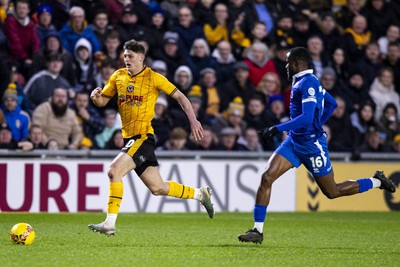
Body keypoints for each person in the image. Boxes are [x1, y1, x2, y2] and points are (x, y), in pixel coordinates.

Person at [237, 47, 397, 245]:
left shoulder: (308, 83)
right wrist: (316, 122)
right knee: (267, 177)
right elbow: (331, 104)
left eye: (288, 63)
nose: (286, 66)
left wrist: (278, 127)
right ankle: (257, 231)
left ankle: (377, 181)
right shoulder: (303, 81)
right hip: (295, 142)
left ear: (296, 63)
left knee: (332, 192)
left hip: (312, 146)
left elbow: (305, 118)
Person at [88, 40, 214, 236]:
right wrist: (96, 98)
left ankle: (109, 223)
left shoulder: (153, 78)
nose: (126, 60)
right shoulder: (118, 76)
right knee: (158, 188)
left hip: (143, 137)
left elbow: (181, 97)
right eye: (125, 56)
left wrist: (193, 121)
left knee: (114, 171)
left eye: (130, 56)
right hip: (130, 139)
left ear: (141, 57)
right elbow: (103, 101)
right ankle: (200, 194)